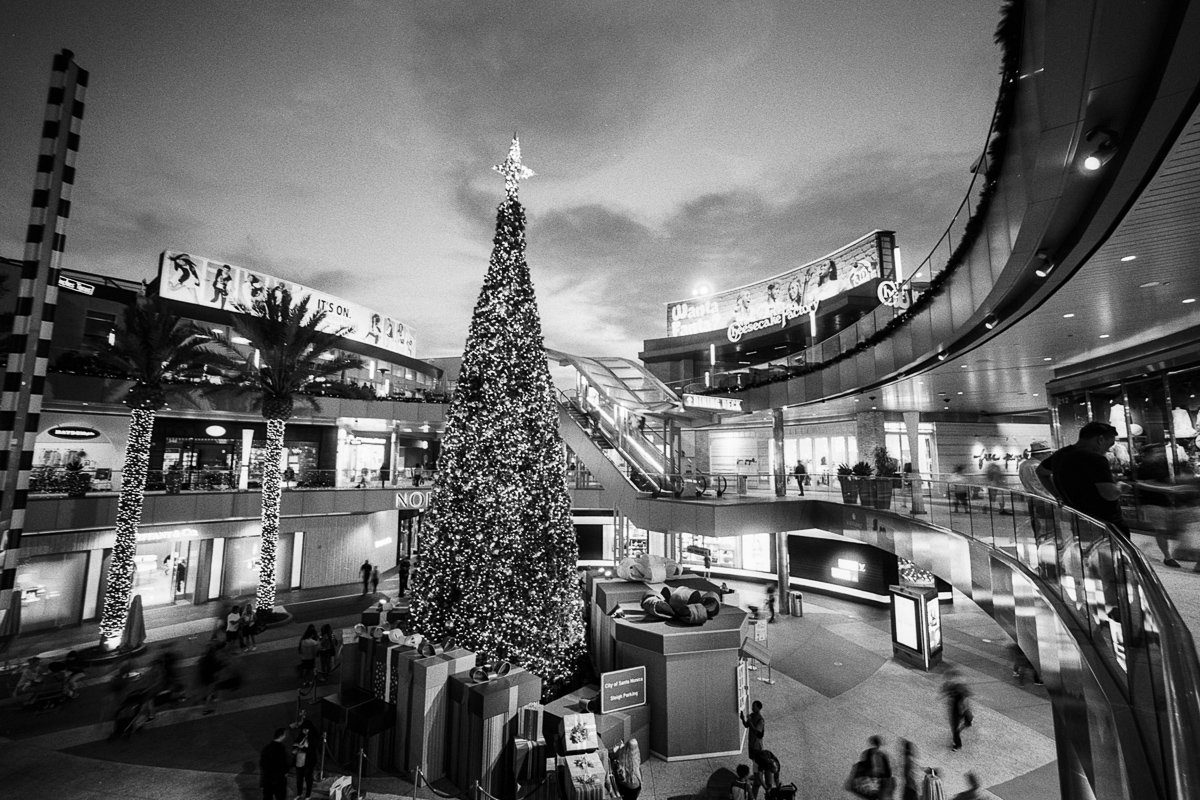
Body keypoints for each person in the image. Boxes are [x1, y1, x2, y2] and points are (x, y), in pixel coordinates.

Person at [1037, 421, 1127, 533]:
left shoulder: (1060, 454)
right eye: (1109, 445)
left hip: (1077, 518)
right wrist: (1120, 486)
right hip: (1105, 522)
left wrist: (1058, 495)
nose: (1108, 450)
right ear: (1100, 439)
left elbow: (1041, 471)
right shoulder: (1096, 458)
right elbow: (1110, 494)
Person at [941, 670, 974, 751]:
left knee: (955, 729)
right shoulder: (956, 686)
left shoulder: (957, 687)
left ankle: (957, 745)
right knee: (963, 718)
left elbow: (965, 697)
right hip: (960, 708)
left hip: (957, 710)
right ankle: (967, 722)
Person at [259, 727, 291, 800]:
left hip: (268, 780)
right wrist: (286, 772)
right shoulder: (281, 748)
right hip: (279, 780)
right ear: (282, 736)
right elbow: (285, 763)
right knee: (281, 797)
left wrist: (263, 781)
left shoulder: (266, 748)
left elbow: (262, 764)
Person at [857, 735, 892, 800]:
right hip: (879, 779)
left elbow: (864, 765)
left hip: (874, 779)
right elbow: (888, 770)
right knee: (881, 796)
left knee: (875, 796)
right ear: (879, 744)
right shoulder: (882, 754)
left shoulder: (868, 753)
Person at [293, 716, 318, 799]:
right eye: (303, 729)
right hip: (300, 760)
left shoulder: (313, 738)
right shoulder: (301, 735)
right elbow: (295, 743)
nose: (304, 731)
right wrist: (297, 747)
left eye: (306, 729)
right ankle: (299, 794)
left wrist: (300, 746)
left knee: (308, 778)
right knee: (299, 779)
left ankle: (308, 795)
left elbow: (311, 750)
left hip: (309, 761)